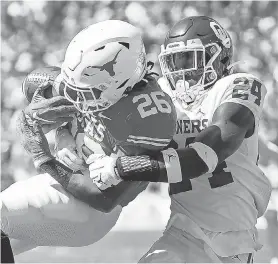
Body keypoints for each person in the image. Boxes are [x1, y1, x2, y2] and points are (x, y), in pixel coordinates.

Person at [88, 16, 272, 263]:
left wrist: (122, 168)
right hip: (182, 232)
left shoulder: (238, 86)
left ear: (221, 59)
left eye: (190, 59)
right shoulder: (161, 94)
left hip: (232, 240)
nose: (182, 71)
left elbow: (203, 156)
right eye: (174, 61)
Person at [1, 20, 176, 257]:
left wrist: (44, 158)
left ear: (121, 81)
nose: (77, 97)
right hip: (63, 189)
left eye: (86, 92)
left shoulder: (146, 116)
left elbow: (103, 198)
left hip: (89, 212)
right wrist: (63, 133)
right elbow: (36, 85)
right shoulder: (95, 84)